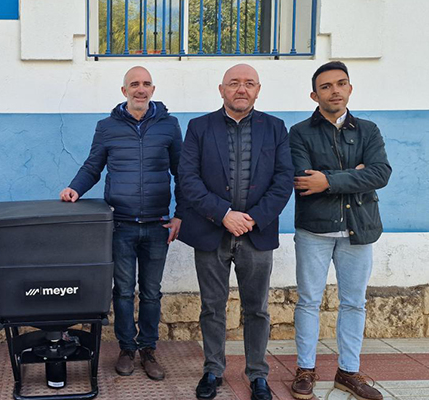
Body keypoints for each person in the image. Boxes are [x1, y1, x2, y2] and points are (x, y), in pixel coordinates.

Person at [59, 66, 183, 381]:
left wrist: (180, 214)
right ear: (124, 90)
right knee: (124, 291)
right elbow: (93, 166)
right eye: (134, 84)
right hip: (121, 225)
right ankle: (127, 349)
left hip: (158, 224)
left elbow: (182, 171)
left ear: (153, 89)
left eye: (146, 84)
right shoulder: (107, 127)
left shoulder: (169, 126)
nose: (140, 89)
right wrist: (74, 188)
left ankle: (148, 350)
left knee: (152, 292)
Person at [178, 64, 294, 400]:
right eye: (234, 83)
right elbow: (188, 179)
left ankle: (258, 374)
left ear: (258, 90)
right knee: (212, 307)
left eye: (249, 83)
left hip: (257, 235)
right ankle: (213, 369)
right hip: (211, 232)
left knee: (257, 309)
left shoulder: (275, 128)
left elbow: (283, 180)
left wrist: (253, 219)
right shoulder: (199, 127)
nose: (241, 89)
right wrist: (224, 215)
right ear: (221, 89)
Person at [289, 61, 391, 400]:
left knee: (354, 303)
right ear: (314, 95)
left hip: (359, 227)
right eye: (326, 86)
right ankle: (305, 369)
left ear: (349, 88)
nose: (335, 90)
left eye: (341, 83)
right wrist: (355, 174)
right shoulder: (300, 132)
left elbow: (380, 173)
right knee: (308, 301)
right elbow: (304, 180)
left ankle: (348, 372)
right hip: (314, 230)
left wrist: (329, 180)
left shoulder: (369, 131)